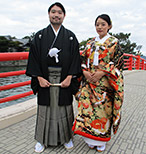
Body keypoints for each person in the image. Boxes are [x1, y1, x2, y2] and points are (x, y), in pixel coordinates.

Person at [26, 2, 81, 153]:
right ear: (49, 14)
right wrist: (38, 78)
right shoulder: (39, 36)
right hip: (45, 78)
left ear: (64, 16)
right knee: (45, 109)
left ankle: (67, 138)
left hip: (64, 79)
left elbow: (76, 58)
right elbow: (34, 59)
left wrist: (70, 77)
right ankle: (42, 140)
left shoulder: (70, 37)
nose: (56, 15)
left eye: (59, 12)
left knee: (64, 109)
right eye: (53, 12)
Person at [72, 14, 124, 152]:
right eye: (97, 24)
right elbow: (82, 59)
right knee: (88, 111)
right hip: (89, 82)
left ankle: (101, 141)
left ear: (109, 26)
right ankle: (89, 138)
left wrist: (103, 72)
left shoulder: (114, 42)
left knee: (102, 112)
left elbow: (119, 62)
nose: (99, 27)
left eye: (103, 24)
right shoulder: (90, 42)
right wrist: (85, 72)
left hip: (105, 83)